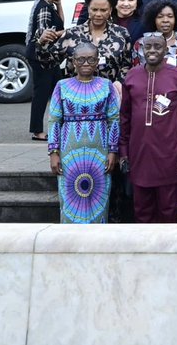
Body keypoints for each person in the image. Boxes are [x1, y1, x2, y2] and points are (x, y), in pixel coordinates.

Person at [119, 32, 177, 223]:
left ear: (166, 49)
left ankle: (168, 250)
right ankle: (145, 249)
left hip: (168, 152)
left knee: (169, 207)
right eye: (148, 47)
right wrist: (124, 151)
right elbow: (125, 117)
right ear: (142, 50)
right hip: (139, 151)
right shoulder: (132, 76)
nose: (152, 51)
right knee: (142, 207)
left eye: (157, 47)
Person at [47, 41, 120, 224]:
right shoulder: (62, 85)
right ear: (73, 61)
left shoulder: (107, 85)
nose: (85, 63)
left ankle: (96, 244)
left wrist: (113, 151)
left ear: (97, 62)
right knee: (70, 199)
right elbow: (54, 120)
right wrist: (53, 152)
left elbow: (114, 120)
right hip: (69, 153)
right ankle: (70, 243)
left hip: (100, 153)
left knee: (99, 200)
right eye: (80, 59)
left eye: (91, 59)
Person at [52, 0, 131, 88]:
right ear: (88, 9)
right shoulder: (72, 34)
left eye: (103, 10)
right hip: (76, 95)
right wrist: (41, 42)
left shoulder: (122, 34)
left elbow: (127, 65)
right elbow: (49, 62)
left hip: (109, 96)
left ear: (111, 10)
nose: (98, 14)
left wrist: (119, 83)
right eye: (94, 9)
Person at [28, 0, 66, 141]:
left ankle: (62, 126)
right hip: (41, 57)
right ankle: (37, 131)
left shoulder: (50, 5)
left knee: (59, 90)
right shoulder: (44, 8)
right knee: (41, 93)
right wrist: (64, 33)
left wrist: (59, 4)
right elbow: (46, 35)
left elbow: (60, 21)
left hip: (50, 58)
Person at [132, 0, 177, 69]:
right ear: (153, 19)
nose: (165, 20)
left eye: (170, 16)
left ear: (176, 18)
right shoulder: (141, 43)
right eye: (160, 17)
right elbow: (136, 73)